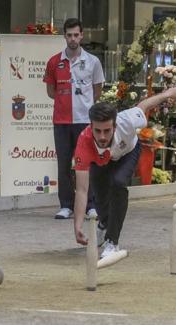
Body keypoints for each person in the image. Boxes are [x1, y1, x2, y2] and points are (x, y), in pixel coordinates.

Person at [72, 87, 176, 259]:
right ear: (91, 127)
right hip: (100, 160)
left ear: (115, 126)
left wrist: (168, 94)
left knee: (118, 183)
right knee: (99, 195)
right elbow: (81, 190)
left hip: (127, 153)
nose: (102, 137)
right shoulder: (84, 142)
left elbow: (144, 104)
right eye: (98, 131)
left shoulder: (128, 121)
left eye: (107, 131)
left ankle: (112, 241)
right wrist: (77, 226)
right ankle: (103, 223)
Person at [43, 18, 105, 220]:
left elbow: (97, 91)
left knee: (88, 163)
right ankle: (66, 205)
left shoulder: (93, 62)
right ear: (64, 36)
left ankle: (91, 205)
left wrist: (83, 105)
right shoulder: (54, 61)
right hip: (61, 121)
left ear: (82, 35)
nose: (72, 39)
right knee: (63, 164)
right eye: (69, 35)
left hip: (85, 121)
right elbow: (51, 91)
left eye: (76, 35)